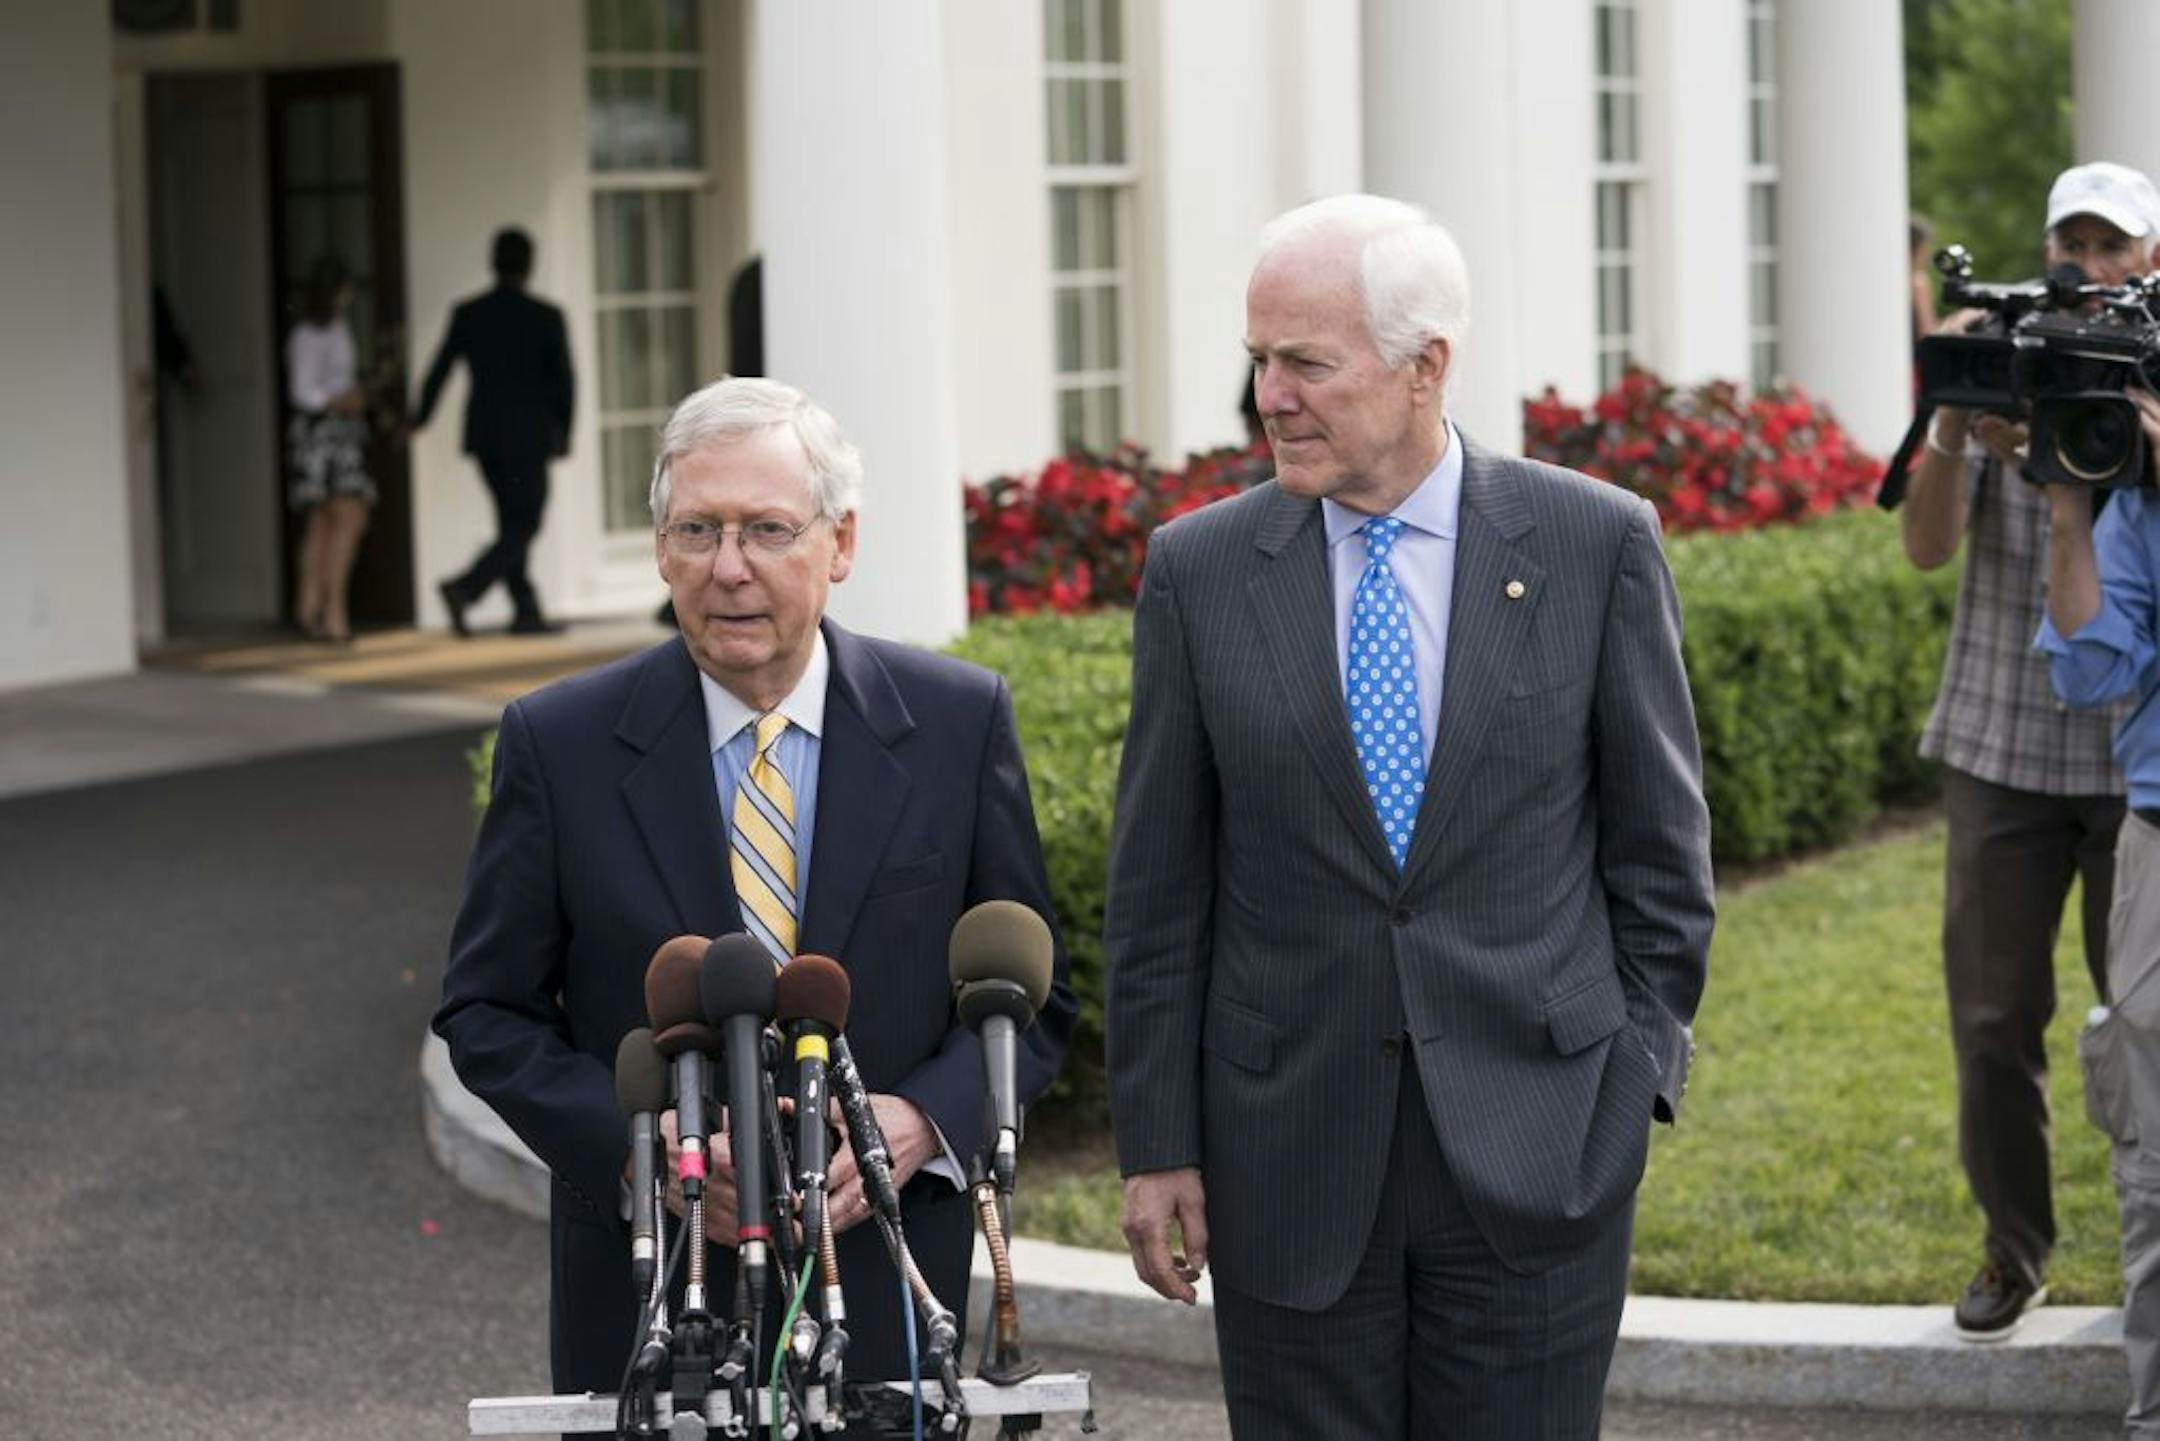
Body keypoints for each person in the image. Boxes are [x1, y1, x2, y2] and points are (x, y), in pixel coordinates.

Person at [1103, 193, 1713, 1439]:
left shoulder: (1595, 543)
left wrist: (1632, 1082)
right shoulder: (1200, 570)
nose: (1269, 395)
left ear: (1427, 365)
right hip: (1288, 1160)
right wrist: (1158, 1144)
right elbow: (1158, 892)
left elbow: (1663, 864)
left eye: (1305, 363)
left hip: (1542, 1152)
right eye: (1258, 360)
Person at [434, 376, 1075, 1428]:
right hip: (650, 1293)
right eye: (698, 528)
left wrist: (918, 1125)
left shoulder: (958, 726)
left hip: (889, 1271)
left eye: (768, 529)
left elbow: (1029, 999)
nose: (728, 566)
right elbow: (487, 1014)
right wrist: (658, 1162)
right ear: (660, 546)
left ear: (841, 543)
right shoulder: (560, 745)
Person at [1900, 160, 2155, 1341]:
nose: (2088, 266)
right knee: (1995, 1018)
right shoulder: (2002, 352)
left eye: (2114, 246)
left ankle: (2145, 1256)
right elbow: (1925, 549)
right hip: (2003, 740)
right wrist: (1956, 412)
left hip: (2135, 761)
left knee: (2143, 1021)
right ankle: (2015, 1249)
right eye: (2074, 242)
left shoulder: (2143, 374)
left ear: (2150, 262)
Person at [414, 226, 575, 636]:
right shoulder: (546, 316)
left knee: (511, 523)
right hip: (530, 439)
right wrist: (565, 432)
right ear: (529, 265)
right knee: (526, 524)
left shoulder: (469, 313)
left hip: (485, 439)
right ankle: (465, 589)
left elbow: (440, 370)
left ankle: (526, 611)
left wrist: (419, 419)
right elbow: (565, 382)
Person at [283, 254, 374, 644]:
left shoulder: (338, 328)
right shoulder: (306, 334)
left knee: (324, 522)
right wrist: (339, 401)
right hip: (323, 432)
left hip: (342, 431)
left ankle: (313, 608)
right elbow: (303, 391)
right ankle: (330, 609)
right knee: (345, 516)